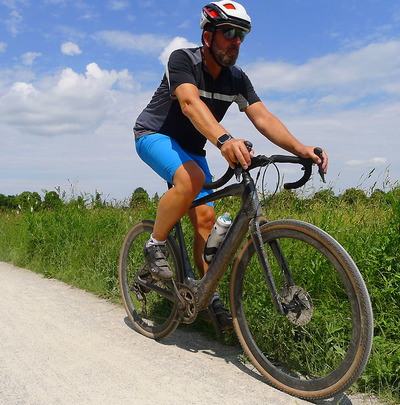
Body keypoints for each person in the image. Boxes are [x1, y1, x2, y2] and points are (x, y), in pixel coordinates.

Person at [133, 1, 328, 330]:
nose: (236, 41)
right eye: (229, 33)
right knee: (191, 178)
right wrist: (225, 140)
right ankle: (155, 243)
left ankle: (206, 296)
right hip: (154, 135)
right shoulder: (183, 59)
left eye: (241, 36)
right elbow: (189, 103)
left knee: (207, 220)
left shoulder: (237, 79)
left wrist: (301, 148)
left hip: (193, 148)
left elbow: (263, 117)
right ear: (208, 36)